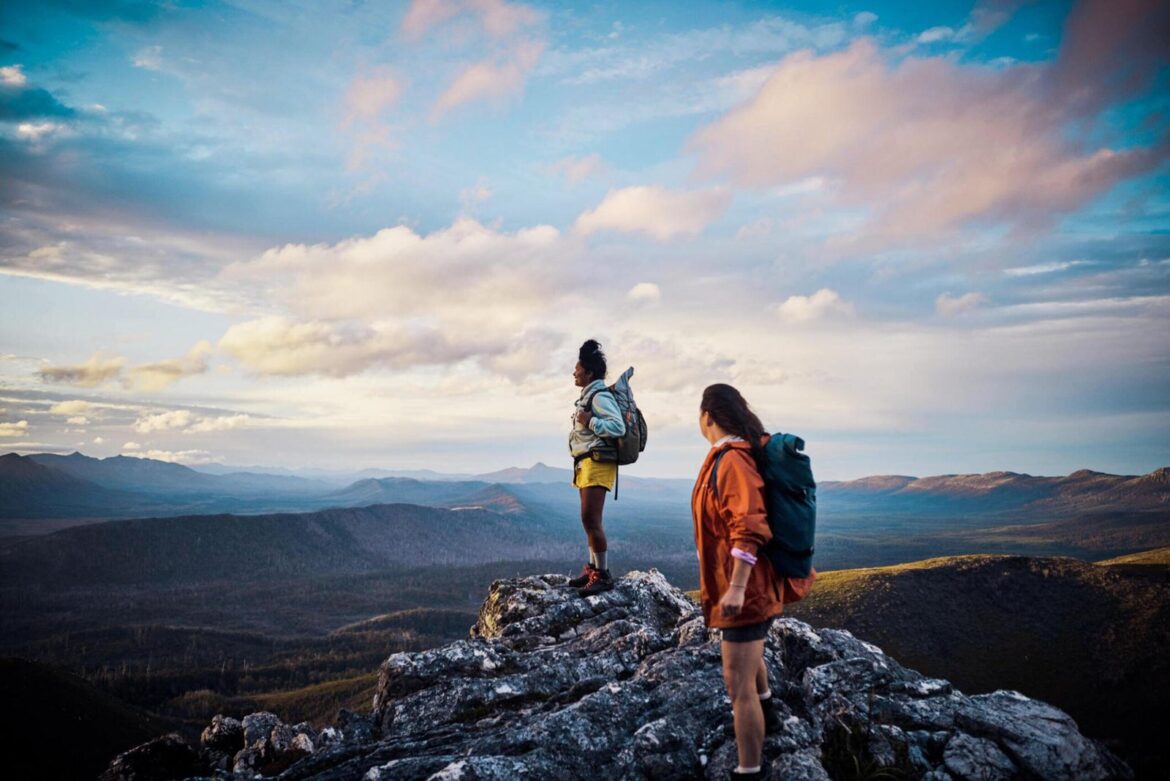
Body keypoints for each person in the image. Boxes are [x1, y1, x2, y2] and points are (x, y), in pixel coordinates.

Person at [693, 383, 813, 780]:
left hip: (748, 590)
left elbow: (749, 527)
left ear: (707, 416)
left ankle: (750, 769)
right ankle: (771, 712)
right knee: (750, 663)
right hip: (750, 588)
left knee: (736, 686)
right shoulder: (733, 455)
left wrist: (737, 587)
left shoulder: (732, 461)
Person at [566, 339, 626, 597]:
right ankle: (593, 569)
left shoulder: (599, 396)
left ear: (589, 372)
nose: (574, 372)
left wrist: (590, 421)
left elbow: (617, 426)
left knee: (591, 519)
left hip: (597, 463)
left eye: (577, 368)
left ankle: (602, 575)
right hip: (586, 464)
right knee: (588, 520)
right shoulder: (589, 396)